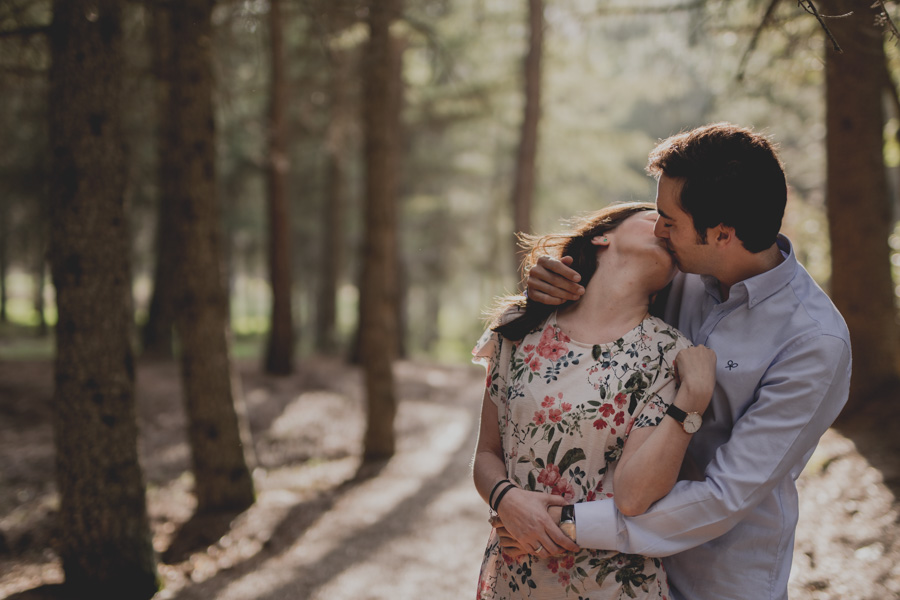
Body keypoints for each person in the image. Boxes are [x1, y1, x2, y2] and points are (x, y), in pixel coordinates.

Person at [525, 123, 852, 600]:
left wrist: (569, 523)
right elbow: (592, 313)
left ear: (722, 233)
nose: (658, 230)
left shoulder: (813, 343)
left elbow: (723, 497)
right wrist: (549, 287)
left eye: (669, 221)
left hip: (714, 577)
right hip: (610, 571)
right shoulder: (676, 269)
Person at [472, 202, 717, 599]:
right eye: (659, 220)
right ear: (603, 236)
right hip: (514, 575)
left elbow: (634, 495)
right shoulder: (519, 326)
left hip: (614, 584)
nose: (668, 232)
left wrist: (692, 399)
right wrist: (506, 499)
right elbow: (486, 452)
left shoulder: (669, 354)